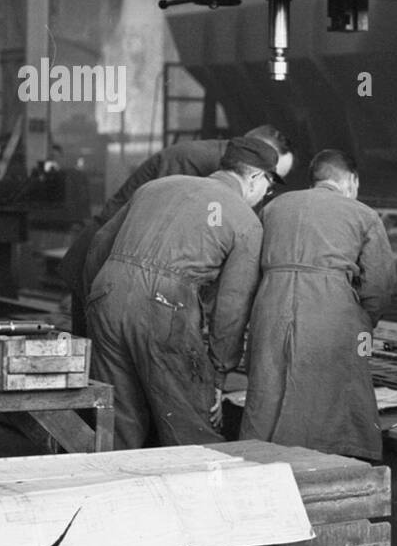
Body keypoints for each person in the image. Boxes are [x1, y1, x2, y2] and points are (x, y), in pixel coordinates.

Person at [82, 136, 277, 449]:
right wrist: (219, 374)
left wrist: (100, 297)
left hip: (107, 295)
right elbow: (232, 308)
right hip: (165, 308)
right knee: (191, 425)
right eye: (269, 185)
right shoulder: (245, 222)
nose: (266, 195)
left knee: (118, 422)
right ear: (256, 178)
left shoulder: (156, 187)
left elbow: (99, 245)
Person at [241, 149, 397, 462]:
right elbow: (380, 285)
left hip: (270, 304)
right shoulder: (363, 214)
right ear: (351, 181)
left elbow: (247, 267)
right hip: (331, 310)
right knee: (331, 401)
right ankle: (322, 475)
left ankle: (259, 466)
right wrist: (363, 321)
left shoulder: (273, 207)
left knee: (269, 387)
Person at [60, 125, 293, 333]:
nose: (265, 191)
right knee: (95, 350)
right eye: (268, 178)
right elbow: (157, 237)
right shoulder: (188, 161)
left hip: (119, 268)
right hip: (102, 259)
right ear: (252, 165)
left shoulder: (217, 179)